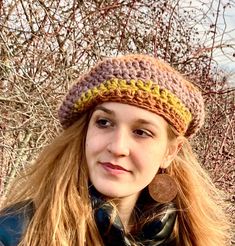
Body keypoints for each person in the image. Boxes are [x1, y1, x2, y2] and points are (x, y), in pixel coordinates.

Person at [0, 54, 230, 246]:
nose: (118, 147)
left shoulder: (192, 238)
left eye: (141, 132)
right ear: (84, 133)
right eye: (104, 123)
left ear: (170, 152)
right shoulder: (15, 233)